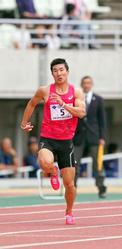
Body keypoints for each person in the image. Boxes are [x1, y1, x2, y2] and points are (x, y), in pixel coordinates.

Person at [20, 58, 86, 225]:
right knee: (43, 161)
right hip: (48, 138)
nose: (59, 73)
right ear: (52, 73)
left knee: (69, 184)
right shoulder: (45, 91)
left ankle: (69, 211)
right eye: (55, 70)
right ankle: (53, 172)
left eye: (61, 70)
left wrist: (64, 104)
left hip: (66, 141)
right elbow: (32, 103)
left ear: (67, 72)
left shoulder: (76, 92)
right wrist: (24, 122)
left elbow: (81, 112)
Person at [73, 76, 107, 198]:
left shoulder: (98, 100)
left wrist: (102, 137)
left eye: (88, 83)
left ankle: (101, 188)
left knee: (98, 164)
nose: (86, 85)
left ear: (91, 84)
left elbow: (102, 121)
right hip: (78, 137)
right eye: (84, 83)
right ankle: (72, 189)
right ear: (81, 85)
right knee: (74, 164)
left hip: (94, 137)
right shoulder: (75, 100)